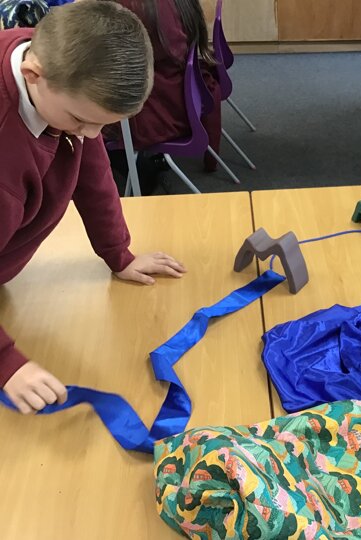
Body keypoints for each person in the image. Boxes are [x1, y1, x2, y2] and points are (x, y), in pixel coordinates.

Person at [0, 1, 186, 415]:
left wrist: (118, 253)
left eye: (104, 124)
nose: (91, 134)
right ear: (32, 75)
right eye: (81, 120)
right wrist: (6, 363)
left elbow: (92, 171)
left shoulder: (56, 66)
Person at [108, 0, 221, 179]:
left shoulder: (132, 7)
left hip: (158, 111)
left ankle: (140, 173)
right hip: (180, 96)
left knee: (80, 103)